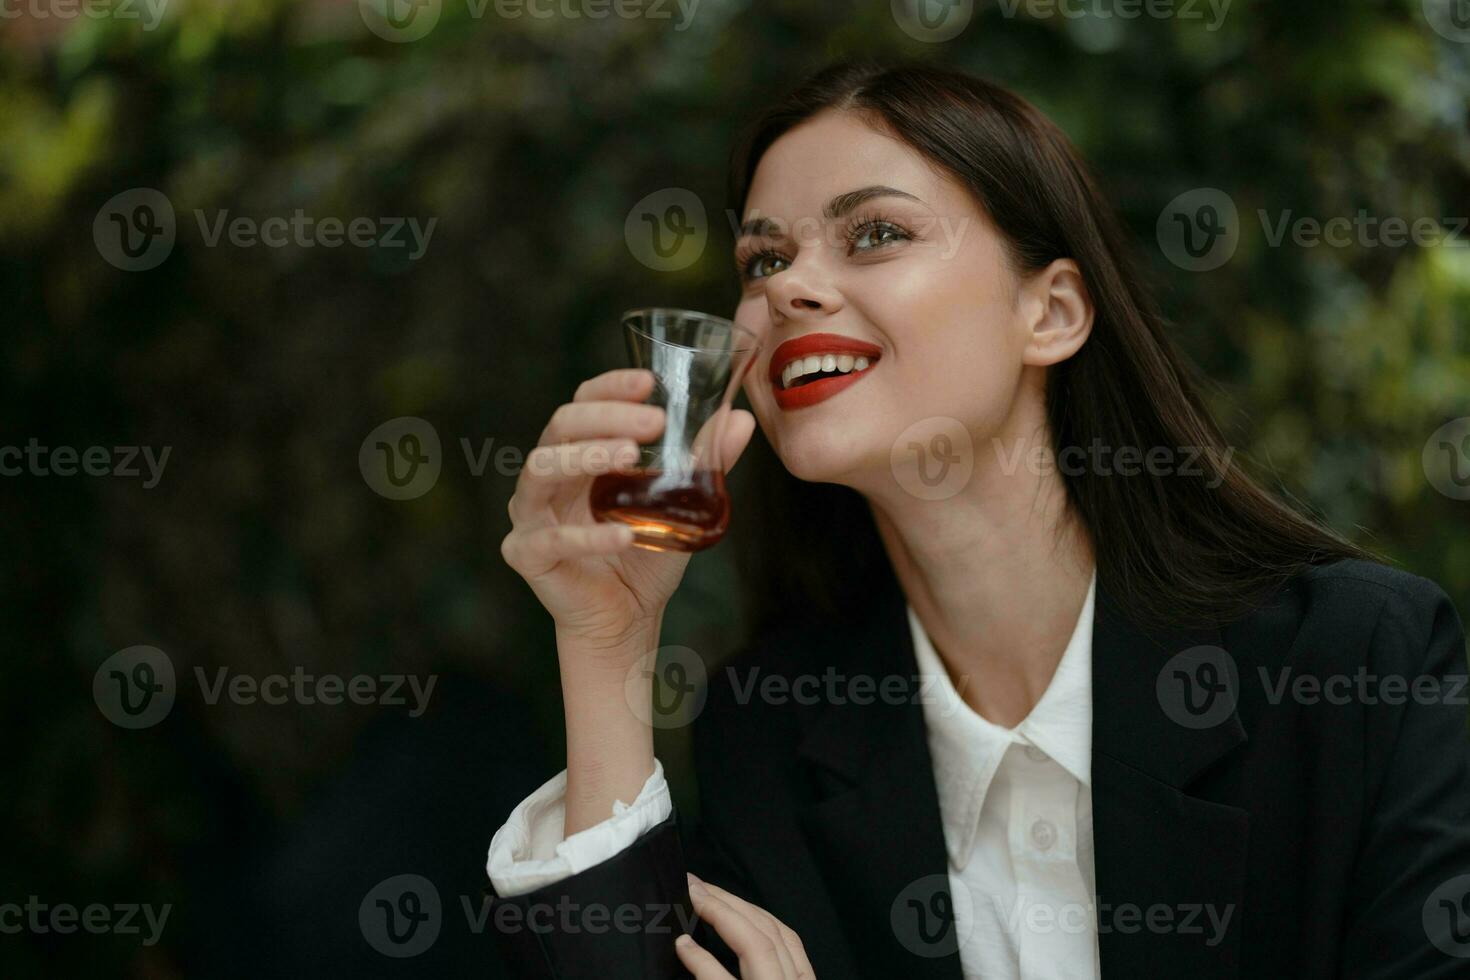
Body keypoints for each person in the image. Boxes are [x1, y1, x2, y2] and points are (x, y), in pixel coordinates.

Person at [489, 60, 1470, 979]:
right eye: (762, 257)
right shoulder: (774, 732)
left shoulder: (1354, 666)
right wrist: (607, 639)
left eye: (875, 233)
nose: (786, 287)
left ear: (1052, 313)